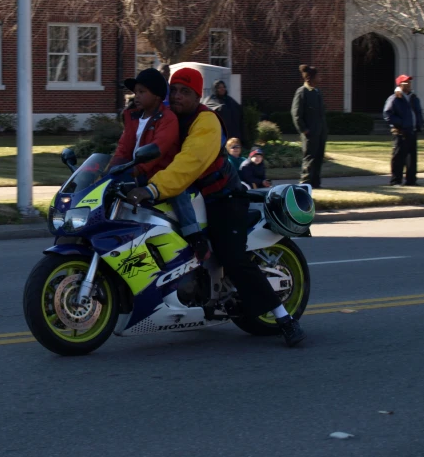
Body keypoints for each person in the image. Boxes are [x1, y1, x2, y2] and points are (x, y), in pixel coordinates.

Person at [127, 67, 305, 347]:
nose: (177, 96)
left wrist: (152, 188)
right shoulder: (167, 115)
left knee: (232, 257)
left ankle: (284, 318)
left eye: (185, 92)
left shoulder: (206, 122)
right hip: (187, 195)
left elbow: (189, 164)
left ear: (198, 96)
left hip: (223, 197)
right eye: (174, 90)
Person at [108, 68, 210, 261]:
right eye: (135, 92)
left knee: (177, 192)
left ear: (156, 97)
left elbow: (158, 149)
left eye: (142, 92)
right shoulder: (133, 117)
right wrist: (111, 171)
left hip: (158, 171)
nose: (136, 96)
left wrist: (136, 171)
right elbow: (123, 148)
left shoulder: (167, 119)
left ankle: (195, 237)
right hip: (135, 170)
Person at [291, 64, 328, 188]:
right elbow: (296, 113)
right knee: (310, 158)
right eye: (317, 76)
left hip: (320, 132)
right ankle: (305, 183)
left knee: (318, 157)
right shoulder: (302, 92)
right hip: (310, 133)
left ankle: (316, 183)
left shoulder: (317, 92)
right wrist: (304, 130)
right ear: (309, 78)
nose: (320, 78)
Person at [383, 74, 423, 186]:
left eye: (409, 82)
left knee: (411, 158)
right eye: (406, 82)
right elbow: (388, 114)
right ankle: (396, 181)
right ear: (400, 84)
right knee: (398, 158)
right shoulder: (395, 98)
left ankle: (411, 181)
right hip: (401, 132)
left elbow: (417, 112)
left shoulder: (413, 98)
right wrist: (401, 124)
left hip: (412, 131)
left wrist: (419, 123)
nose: (409, 84)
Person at [202, 80, 243, 144]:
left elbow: (239, 113)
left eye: (223, 87)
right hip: (218, 135)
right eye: (219, 87)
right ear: (215, 89)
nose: (222, 89)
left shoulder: (230, 100)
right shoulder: (210, 100)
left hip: (232, 134)